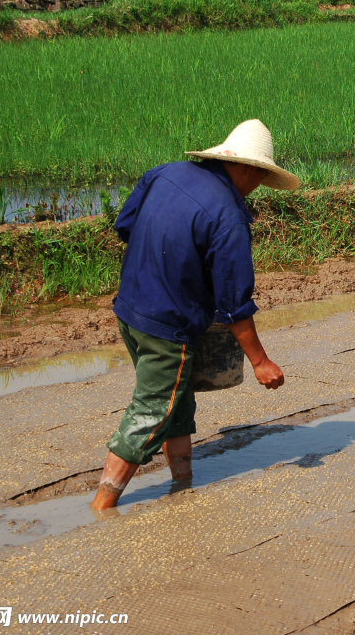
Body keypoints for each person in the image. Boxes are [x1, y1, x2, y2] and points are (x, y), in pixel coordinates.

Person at [91, 119, 299, 511]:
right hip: (166, 327)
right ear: (250, 169)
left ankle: (182, 485)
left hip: (130, 308)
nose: (256, 190)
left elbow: (125, 227)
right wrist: (261, 362)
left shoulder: (164, 174)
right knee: (153, 409)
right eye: (259, 180)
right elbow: (236, 305)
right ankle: (102, 506)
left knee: (177, 399)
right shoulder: (228, 216)